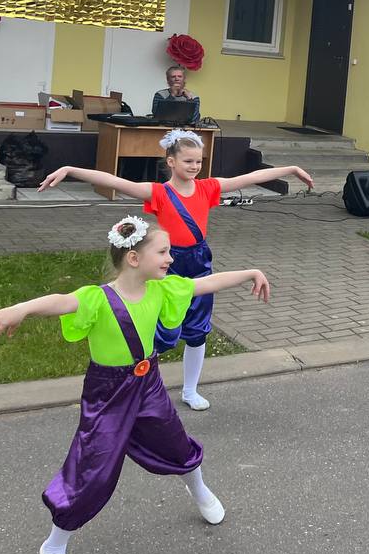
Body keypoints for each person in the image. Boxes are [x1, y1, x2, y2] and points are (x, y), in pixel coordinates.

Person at [0, 217, 271, 554]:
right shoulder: (97, 299)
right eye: (163, 251)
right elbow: (61, 301)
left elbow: (205, 283)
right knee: (93, 468)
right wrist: (22, 308)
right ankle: (54, 545)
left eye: (170, 251)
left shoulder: (162, 290)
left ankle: (201, 492)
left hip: (148, 386)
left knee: (176, 444)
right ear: (134, 259)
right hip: (107, 394)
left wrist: (250, 271)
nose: (170, 258)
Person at [38, 130, 313, 411]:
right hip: (165, 263)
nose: (194, 167)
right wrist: (71, 169)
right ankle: (140, 385)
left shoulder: (207, 188)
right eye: (187, 161)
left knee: (197, 330)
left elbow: (251, 177)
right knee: (153, 328)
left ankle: (190, 389)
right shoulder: (158, 192)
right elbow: (115, 181)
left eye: (198, 161)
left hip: (199, 261)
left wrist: (291, 169)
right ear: (170, 161)